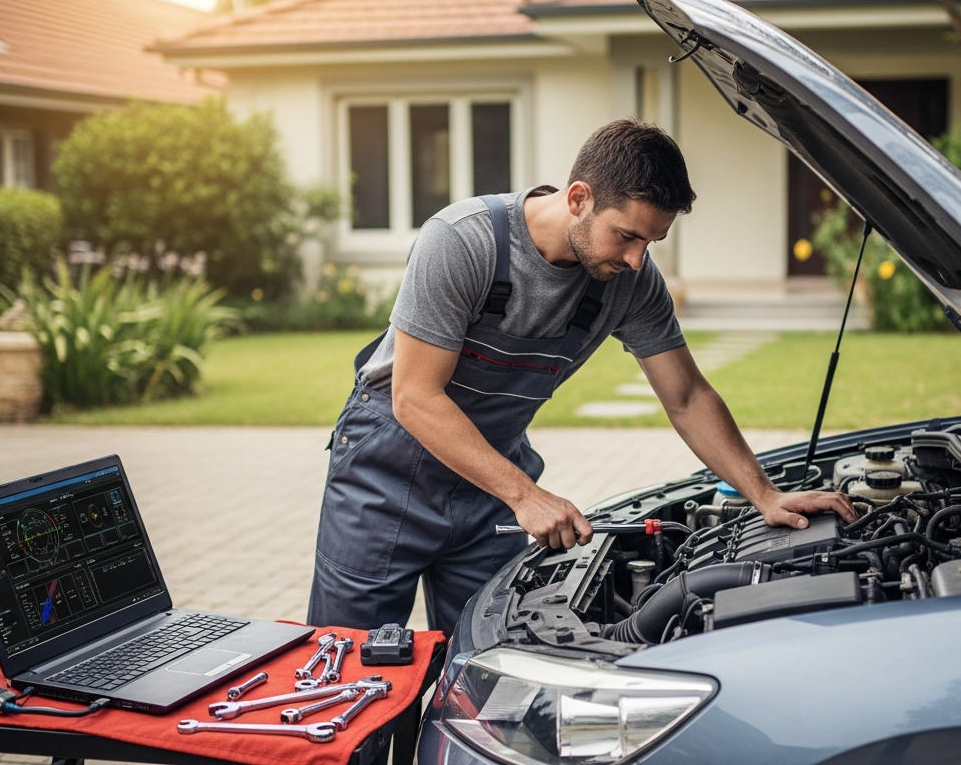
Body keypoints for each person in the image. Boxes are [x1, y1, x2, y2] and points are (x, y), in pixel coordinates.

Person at [308, 119, 857, 634]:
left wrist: (764, 495)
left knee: (477, 666)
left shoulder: (628, 282)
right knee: (351, 669)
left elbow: (687, 396)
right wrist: (525, 495)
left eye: (650, 242)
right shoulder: (462, 242)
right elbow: (414, 397)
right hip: (387, 474)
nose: (638, 259)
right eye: (626, 236)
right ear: (578, 199)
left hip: (488, 481)